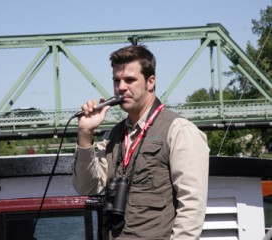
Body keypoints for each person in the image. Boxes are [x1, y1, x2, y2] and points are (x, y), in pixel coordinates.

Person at [72, 45, 209, 240]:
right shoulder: (113, 135)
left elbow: (192, 205)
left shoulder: (179, 130)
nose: (121, 87)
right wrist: (85, 134)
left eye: (129, 80)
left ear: (150, 82)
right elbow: (86, 187)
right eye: (116, 80)